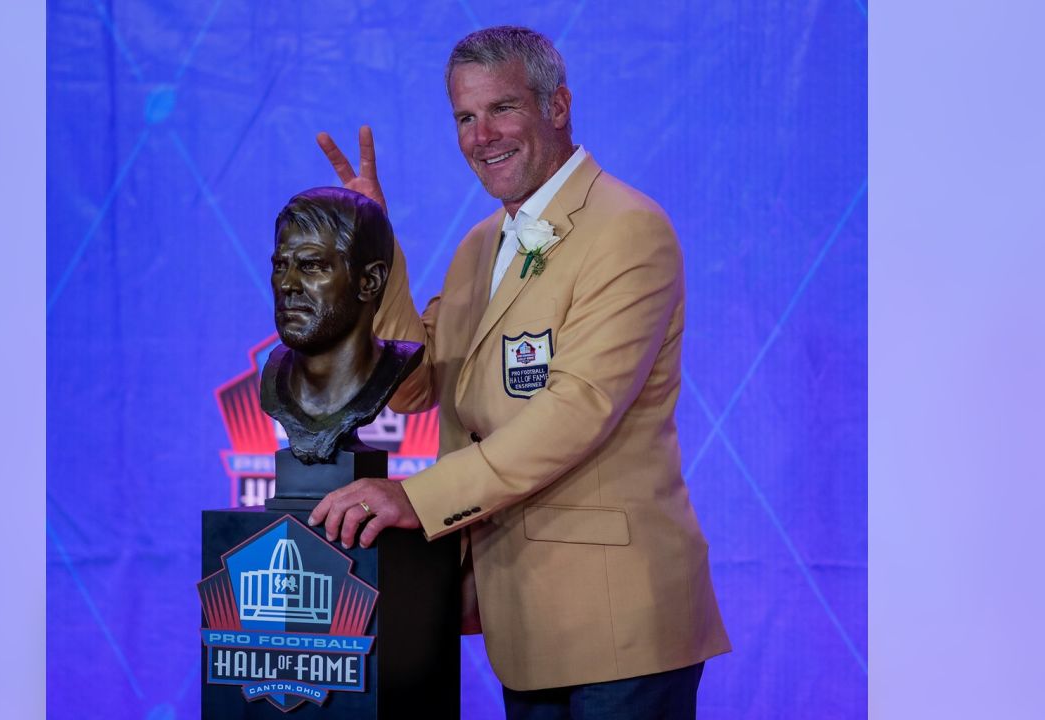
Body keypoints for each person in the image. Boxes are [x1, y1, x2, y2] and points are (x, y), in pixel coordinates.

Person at [308, 26, 730, 719]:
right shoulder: (480, 246)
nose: (481, 136)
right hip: (523, 623)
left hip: (620, 625)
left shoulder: (627, 229)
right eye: (465, 118)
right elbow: (414, 387)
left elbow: (576, 411)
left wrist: (420, 497)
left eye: (501, 109)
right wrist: (371, 246)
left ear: (557, 106)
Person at [263, 187, 422, 465]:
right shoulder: (275, 375)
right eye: (280, 266)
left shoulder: (395, 365)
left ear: (369, 281)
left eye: (311, 266)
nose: (287, 284)